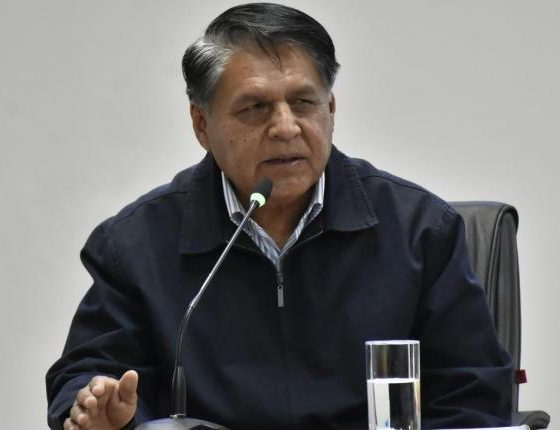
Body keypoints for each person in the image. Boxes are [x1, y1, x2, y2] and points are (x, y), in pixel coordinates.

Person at [46, 3, 513, 430]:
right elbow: (89, 375)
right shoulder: (136, 245)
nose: (286, 127)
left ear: (331, 109)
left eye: (304, 103)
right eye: (255, 108)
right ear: (201, 124)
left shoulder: (419, 230)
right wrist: (103, 412)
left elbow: (474, 395)